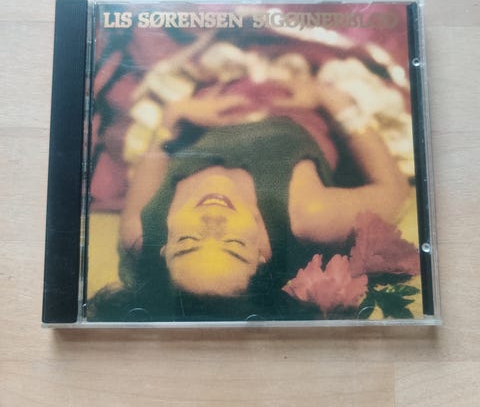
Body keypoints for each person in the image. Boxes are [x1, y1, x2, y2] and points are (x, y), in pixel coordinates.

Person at [88, 61, 409, 322]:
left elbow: (157, 148)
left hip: (218, 80)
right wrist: (331, 100)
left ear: (163, 248)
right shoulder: (308, 214)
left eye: (187, 241)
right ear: (260, 256)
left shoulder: (142, 228)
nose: (213, 220)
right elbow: (393, 189)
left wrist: (174, 118)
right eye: (233, 244)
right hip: (301, 84)